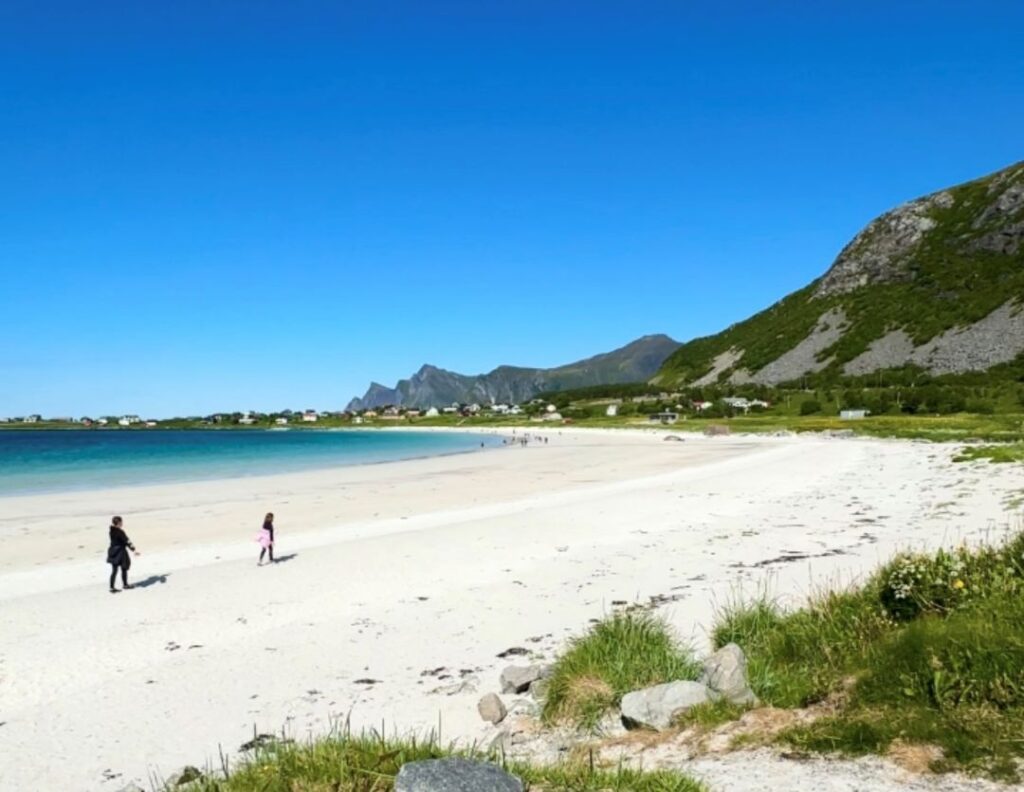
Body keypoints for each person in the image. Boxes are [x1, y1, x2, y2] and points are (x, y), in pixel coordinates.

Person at [106, 516, 139, 593]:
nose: (122, 524)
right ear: (119, 523)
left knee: (114, 570)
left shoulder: (111, 531)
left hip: (113, 551)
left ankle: (112, 587)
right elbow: (127, 541)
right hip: (121, 552)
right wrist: (134, 550)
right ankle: (125, 585)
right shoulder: (120, 532)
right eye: (121, 522)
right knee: (124, 568)